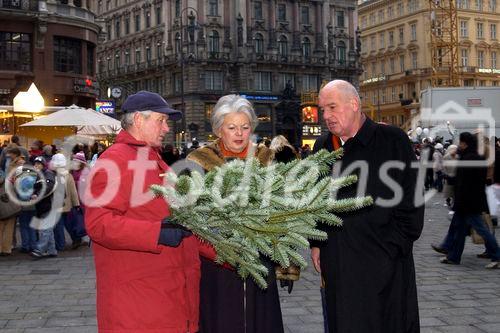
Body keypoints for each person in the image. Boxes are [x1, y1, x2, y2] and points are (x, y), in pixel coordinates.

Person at [84, 91, 216, 333]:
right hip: (138, 307)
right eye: (161, 120)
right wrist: (155, 232)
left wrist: (233, 254)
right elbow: (98, 223)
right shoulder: (114, 160)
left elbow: (183, 227)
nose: (166, 128)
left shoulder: (157, 161)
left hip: (169, 298)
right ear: (138, 120)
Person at [310, 80, 424, 333]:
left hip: (384, 264)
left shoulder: (392, 141)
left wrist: (393, 247)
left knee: (387, 323)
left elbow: (412, 200)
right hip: (338, 261)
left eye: (331, 107)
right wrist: (316, 242)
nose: (326, 116)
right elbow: (315, 200)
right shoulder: (323, 147)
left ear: (354, 104)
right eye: (322, 110)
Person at [187, 94, 284, 333]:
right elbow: (189, 216)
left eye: (245, 127)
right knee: (222, 318)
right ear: (219, 130)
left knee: (259, 320)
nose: (239, 133)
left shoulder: (265, 158)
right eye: (232, 127)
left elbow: (284, 208)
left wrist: (285, 257)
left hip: (260, 261)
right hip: (217, 262)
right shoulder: (199, 161)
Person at [439, 132, 500, 269]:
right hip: (470, 200)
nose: (459, 145)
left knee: (482, 230)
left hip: (468, 202)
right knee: (459, 230)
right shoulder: (475, 157)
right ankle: (454, 257)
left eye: (460, 143)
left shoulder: (468, 158)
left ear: (465, 143)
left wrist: (449, 179)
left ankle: (497, 255)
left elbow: (463, 181)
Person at [51, 153, 80, 251]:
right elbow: (73, 192)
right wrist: (76, 204)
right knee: (69, 224)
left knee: (59, 226)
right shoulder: (68, 175)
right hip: (67, 205)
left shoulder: (51, 175)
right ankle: (75, 239)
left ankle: (61, 244)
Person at [30, 156, 58, 259]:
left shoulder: (48, 174)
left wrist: (37, 195)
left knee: (44, 230)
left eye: (39, 164)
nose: (36, 165)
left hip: (49, 206)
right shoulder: (38, 175)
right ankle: (52, 250)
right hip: (43, 206)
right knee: (47, 229)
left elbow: (48, 187)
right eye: (35, 164)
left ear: (43, 165)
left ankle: (39, 250)